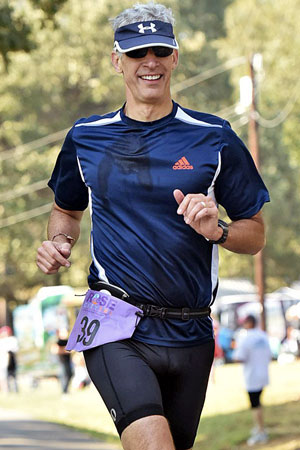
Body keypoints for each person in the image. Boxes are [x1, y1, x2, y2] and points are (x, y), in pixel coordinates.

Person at [36, 2, 270, 449]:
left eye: (161, 51)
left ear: (175, 58)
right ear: (116, 61)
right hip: (112, 319)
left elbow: (255, 234)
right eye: (137, 52)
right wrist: (59, 242)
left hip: (192, 330)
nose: (150, 62)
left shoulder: (214, 137)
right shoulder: (86, 137)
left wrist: (216, 229)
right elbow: (66, 209)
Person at [233, 315, 272, 446]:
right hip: (263, 373)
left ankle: (261, 431)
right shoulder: (262, 335)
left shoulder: (245, 337)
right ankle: (260, 427)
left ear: (249, 323)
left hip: (252, 376)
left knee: (255, 405)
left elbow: (239, 357)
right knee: (258, 402)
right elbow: (269, 354)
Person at [51, 328, 73, 394]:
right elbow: (55, 350)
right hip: (61, 361)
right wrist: (66, 350)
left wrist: (64, 350)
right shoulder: (58, 341)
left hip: (68, 361)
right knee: (63, 375)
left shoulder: (68, 341)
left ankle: (66, 389)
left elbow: (72, 350)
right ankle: (64, 391)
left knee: (70, 374)